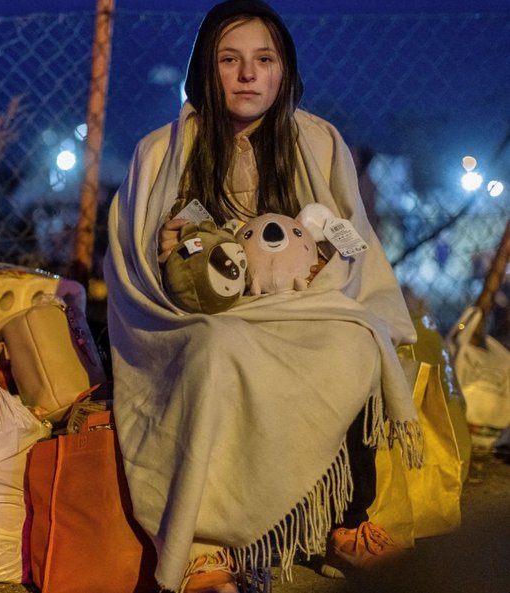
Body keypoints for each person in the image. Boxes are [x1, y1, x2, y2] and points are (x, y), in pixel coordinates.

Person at [103, 2, 422, 592]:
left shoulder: (319, 140)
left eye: (263, 59)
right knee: (220, 346)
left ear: (283, 72)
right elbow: (132, 264)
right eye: (230, 60)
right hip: (200, 315)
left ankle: (343, 522)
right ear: (206, 70)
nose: (248, 74)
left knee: (353, 340)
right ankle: (206, 547)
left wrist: (314, 274)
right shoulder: (159, 152)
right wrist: (166, 252)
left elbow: (353, 248)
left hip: (302, 304)